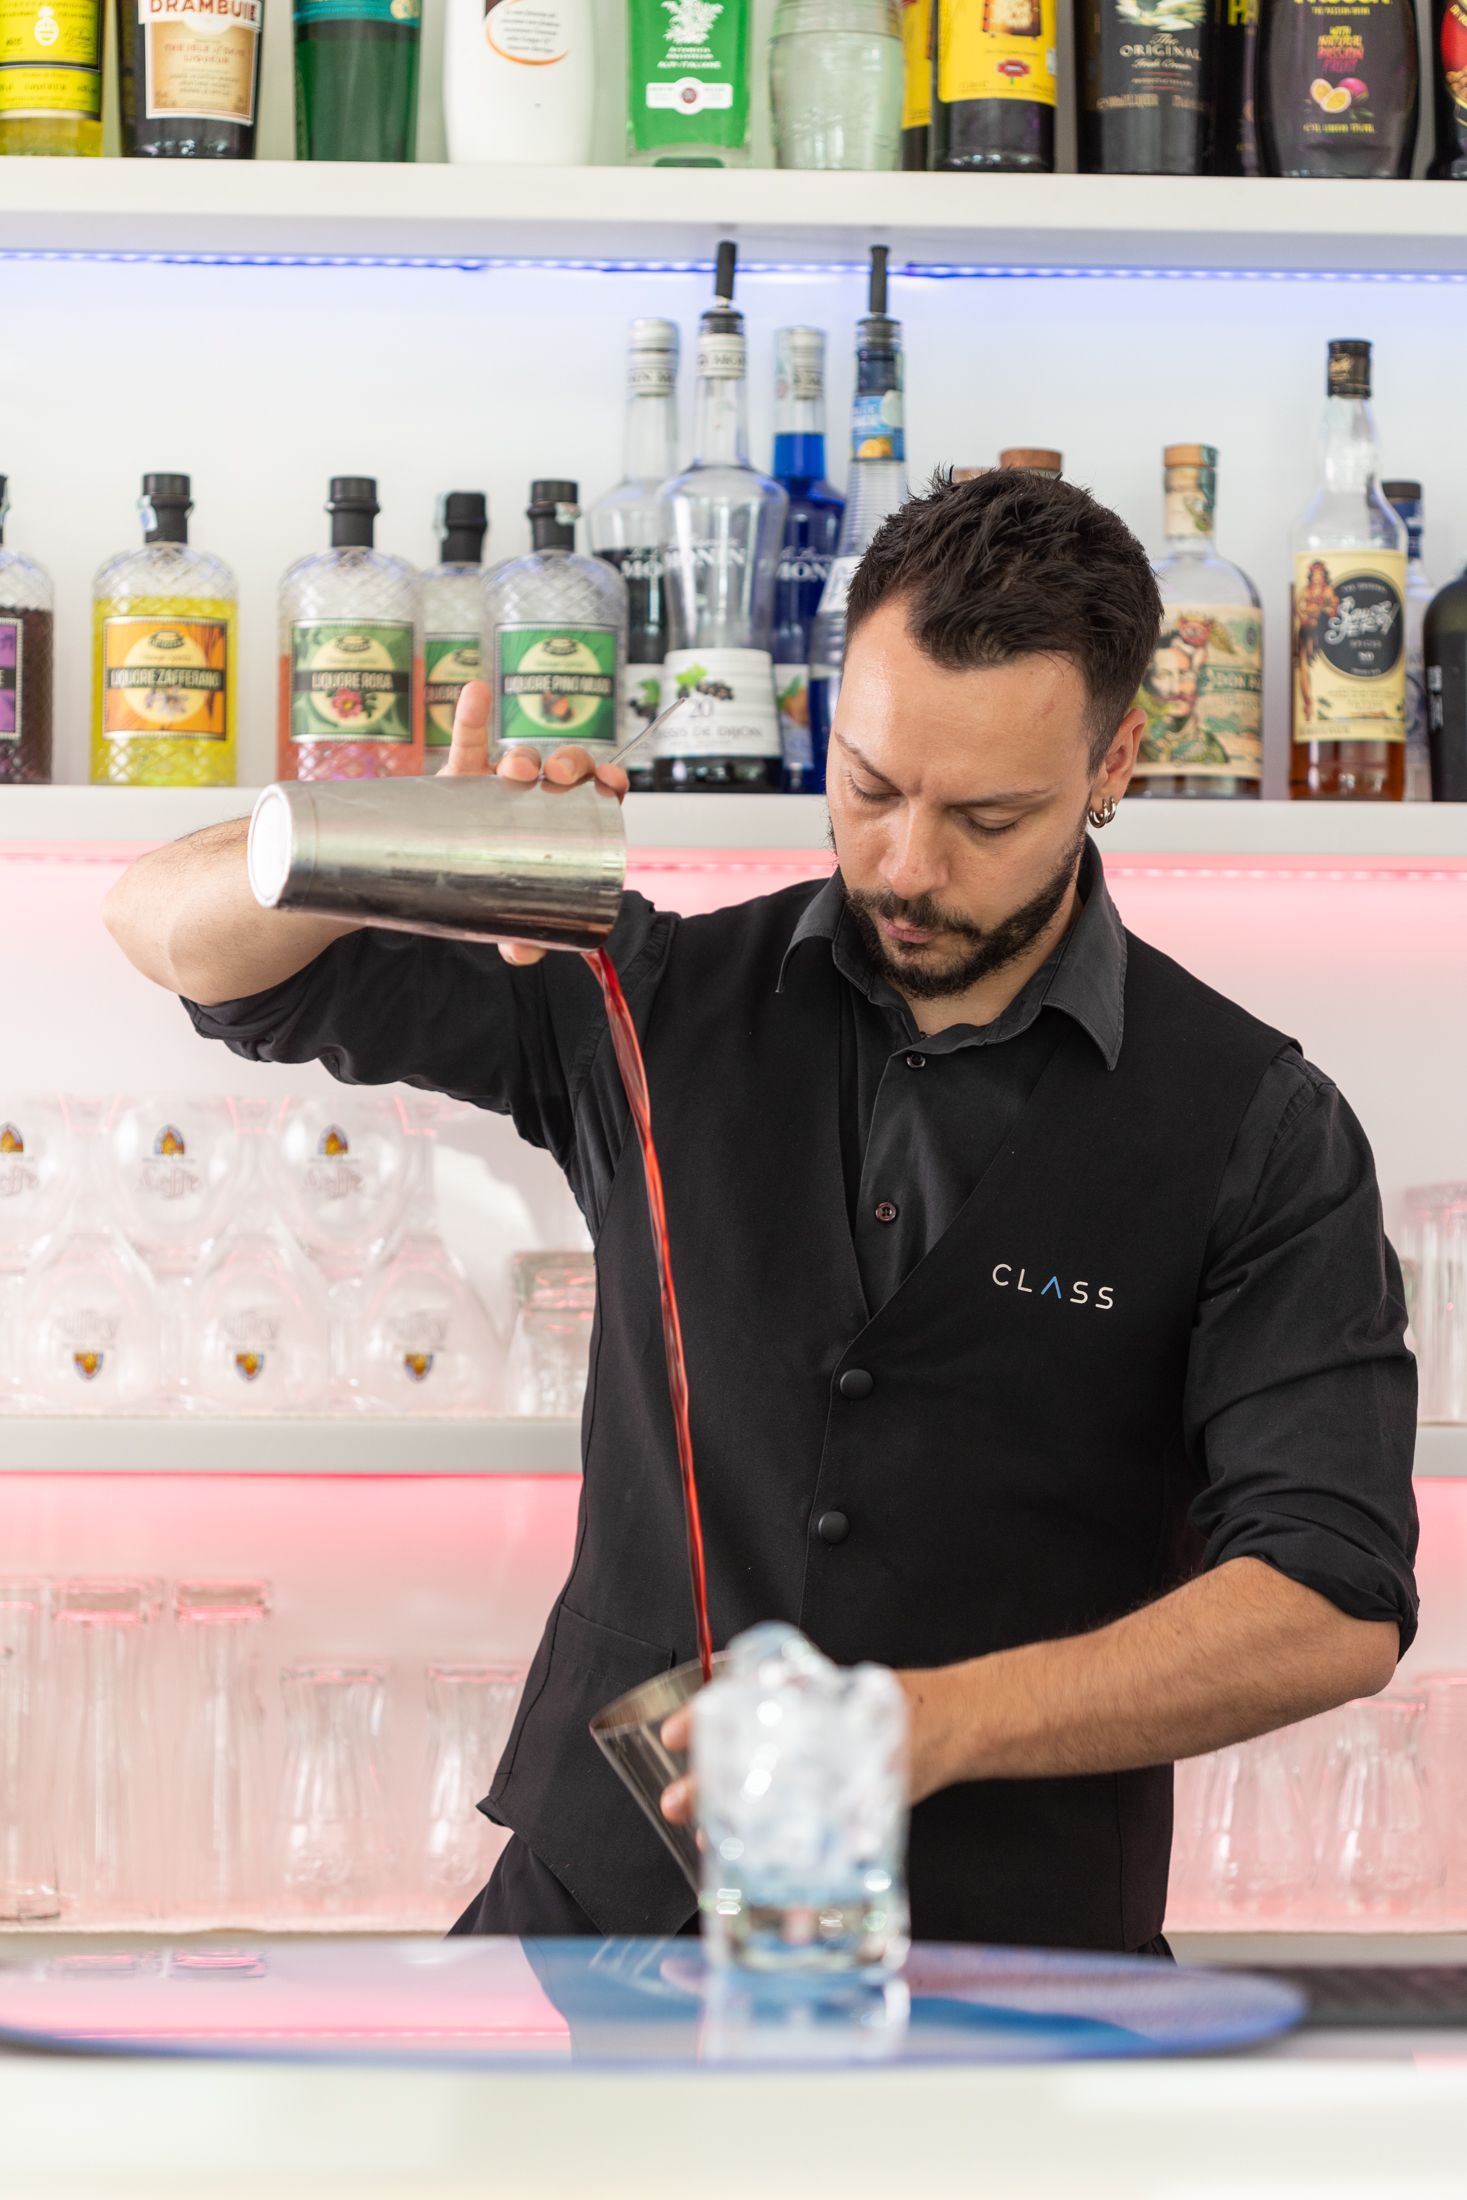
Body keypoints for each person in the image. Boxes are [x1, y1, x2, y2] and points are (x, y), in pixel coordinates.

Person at [103, 471, 1417, 1954]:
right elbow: (176, 936)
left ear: (1118, 758)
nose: (909, 866)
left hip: (1016, 1963)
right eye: (870, 786)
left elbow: (1332, 1595)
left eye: (988, 815)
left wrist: (926, 1725)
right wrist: (386, 833)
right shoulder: (643, 1000)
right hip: (597, 1919)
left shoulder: (1254, 1126)